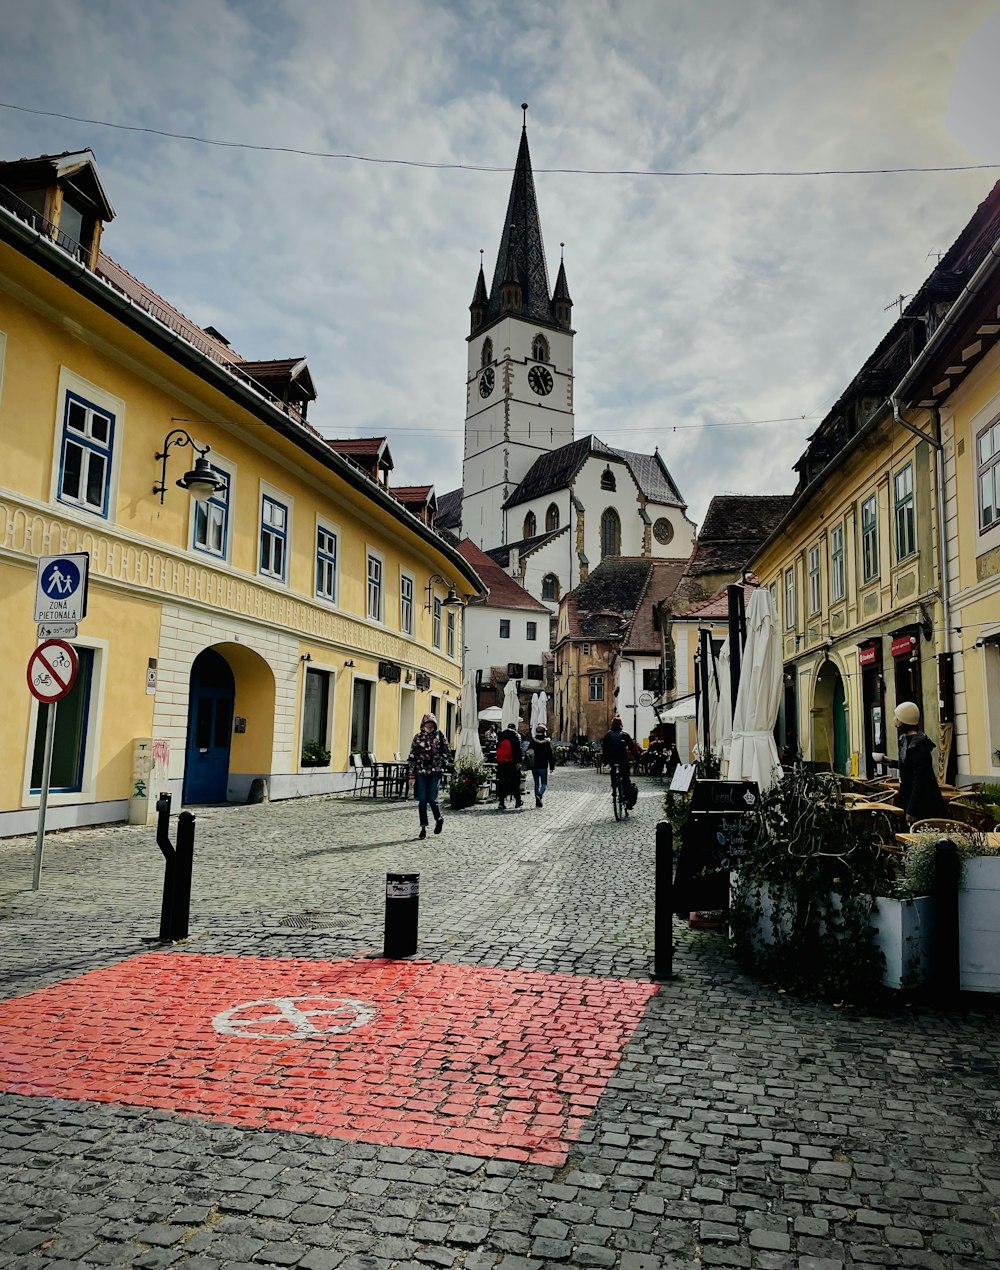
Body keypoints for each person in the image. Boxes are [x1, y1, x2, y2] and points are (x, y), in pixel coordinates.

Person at [891, 701, 947, 825]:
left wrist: (911, 809)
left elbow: (920, 779)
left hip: (923, 801)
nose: (895, 720)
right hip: (908, 795)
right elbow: (908, 766)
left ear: (904, 720)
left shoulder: (920, 745)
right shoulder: (904, 740)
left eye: (897, 717)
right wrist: (890, 762)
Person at [407, 713, 452, 840]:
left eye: (432, 723)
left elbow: (447, 751)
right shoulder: (418, 737)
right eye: (427, 723)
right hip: (420, 772)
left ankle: (438, 818)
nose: (430, 725)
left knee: (432, 798)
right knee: (422, 800)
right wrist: (411, 774)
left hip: (435, 772)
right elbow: (412, 756)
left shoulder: (439, 736)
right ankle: (423, 827)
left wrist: (444, 762)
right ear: (423, 724)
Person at [602, 715, 641, 809]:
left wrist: (605, 761)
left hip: (612, 760)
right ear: (621, 724)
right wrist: (638, 759)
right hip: (622, 759)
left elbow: (604, 748)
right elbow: (632, 748)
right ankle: (626, 798)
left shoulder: (608, 735)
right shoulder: (625, 734)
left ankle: (614, 790)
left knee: (613, 772)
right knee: (626, 778)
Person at [494, 722, 523, 810]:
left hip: (502, 764)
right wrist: (519, 762)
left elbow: (497, 749)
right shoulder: (515, 737)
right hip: (512, 763)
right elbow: (518, 750)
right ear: (514, 728)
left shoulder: (501, 737)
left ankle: (501, 802)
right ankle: (518, 801)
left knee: (502, 783)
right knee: (515, 783)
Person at [527, 726, 556, 807]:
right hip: (543, 766)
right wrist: (552, 767)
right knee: (544, 783)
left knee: (536, 784)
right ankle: (539, 795)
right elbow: (550, 755)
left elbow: (528, 752)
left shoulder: (533, 741)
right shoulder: (546, 743)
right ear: (544, 732)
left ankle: (537, 801)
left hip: (534, 765)